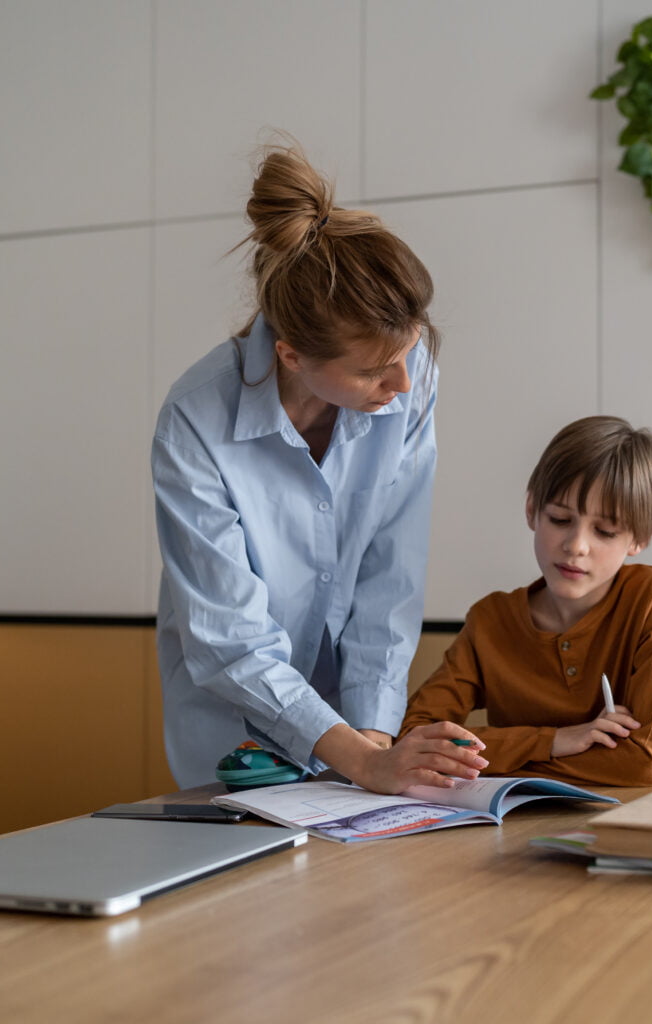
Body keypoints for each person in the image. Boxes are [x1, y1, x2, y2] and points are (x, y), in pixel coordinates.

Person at [153, 142, 486, 794]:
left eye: (409, 354)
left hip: (361, 739)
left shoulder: (407, 379)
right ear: (292, 355)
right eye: (370, 370)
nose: (401, 382)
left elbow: (391, 572)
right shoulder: (196, 423)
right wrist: (364, 764)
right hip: (234, 732)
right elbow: (232, 641)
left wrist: (373, 740)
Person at [400, 416, 652, 787]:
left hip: (623, 826)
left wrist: (502, 764)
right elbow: (418, 738)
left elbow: (644, 763)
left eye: (604, 531)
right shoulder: (491, 620)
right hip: (512, 826)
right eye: (559, 519)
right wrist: (555, 741)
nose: (576, 545)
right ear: (531, 510)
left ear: (639, 540)